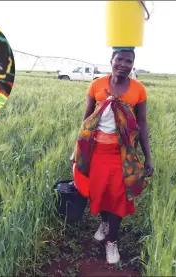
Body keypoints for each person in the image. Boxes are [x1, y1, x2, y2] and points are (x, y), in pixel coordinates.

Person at [70, 47, 154, 264]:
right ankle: (105, 222)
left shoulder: (138, 90)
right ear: (111, 60)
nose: (124, 64)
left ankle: (112, 241)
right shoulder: (96, 85)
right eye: (120, 59)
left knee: (117, 196)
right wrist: (76, 149)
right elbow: (87, 119)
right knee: (99, 193)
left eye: (129, 61)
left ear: (133, 64)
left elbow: (142, 124)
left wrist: (148, 157)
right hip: (97, 151)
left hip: (122, 153)